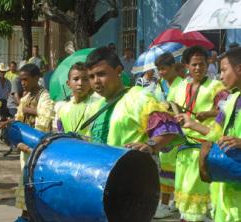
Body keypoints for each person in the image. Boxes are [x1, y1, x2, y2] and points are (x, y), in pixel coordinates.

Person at [176, 46, 241, 222]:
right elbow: (216, 133)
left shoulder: (218, 90)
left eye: (224, 70)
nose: (220, 76)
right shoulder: (231, 101)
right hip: (228, 181)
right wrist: (192, 124)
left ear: (239, 69)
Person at [85, 46, 183, 153]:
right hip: (102, 168)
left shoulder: (138, 97)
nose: (96, 81)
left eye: (101, 74)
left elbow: (168, 129)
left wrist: (149, 145)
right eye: (91, 77)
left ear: (118, 71)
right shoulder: (95, 107)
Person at [0, 64, 55, 222]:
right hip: (24, 146)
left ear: (36, 78)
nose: (22, 83)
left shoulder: (44, 96)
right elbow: (19, 118)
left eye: (26, 79)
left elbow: (46, 116)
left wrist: (29, 110)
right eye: (21, 80)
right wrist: (7, 123)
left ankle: (28, 216)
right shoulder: (25, 97)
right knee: (26, 181)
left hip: (37, 146)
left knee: (33, 182)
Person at [153, 52, 184, 219]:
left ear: (173, 67)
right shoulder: (159, 85)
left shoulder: (182, 85)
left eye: (164, 69)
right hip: (163, 131)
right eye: (159, 69)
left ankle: (169, 204)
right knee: (165, 169)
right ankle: (167, 204)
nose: (162, 72)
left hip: (177, 133)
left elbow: (184, 109)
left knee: (175, 169)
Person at [56, 62, 99, 136]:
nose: (80, 83)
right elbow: (60, 133)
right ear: (68, 83)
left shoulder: (97, 105)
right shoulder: (63, 109)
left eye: (85, 79)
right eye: (76, 79)